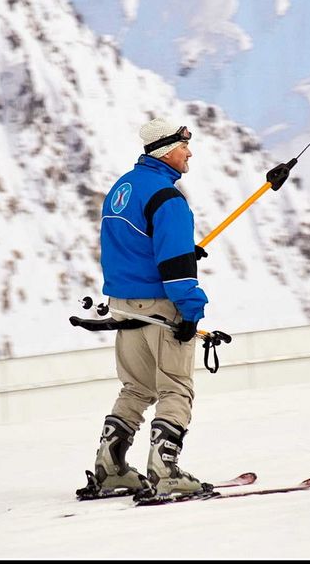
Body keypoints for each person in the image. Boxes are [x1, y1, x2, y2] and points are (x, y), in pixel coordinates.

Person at [84, 117, 209, 498]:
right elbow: (174, 270)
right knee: (175, 387)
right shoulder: (168, 198)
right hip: (160, 305)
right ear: (166, 150)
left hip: (123, 304)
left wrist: (184, 250)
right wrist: (191, 310)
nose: (190, 152)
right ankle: (165, 470)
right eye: (184, 146)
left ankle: (110, 466)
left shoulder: (123, 187)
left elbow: (134, 246)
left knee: (136, 387)